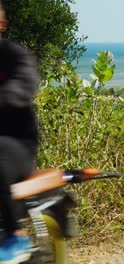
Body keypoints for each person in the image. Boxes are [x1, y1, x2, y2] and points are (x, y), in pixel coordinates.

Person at [0, 2, 39, 263]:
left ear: (1, 25)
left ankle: (17, 234)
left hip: (17, 144)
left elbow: (25, 85)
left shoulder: (17, 56)